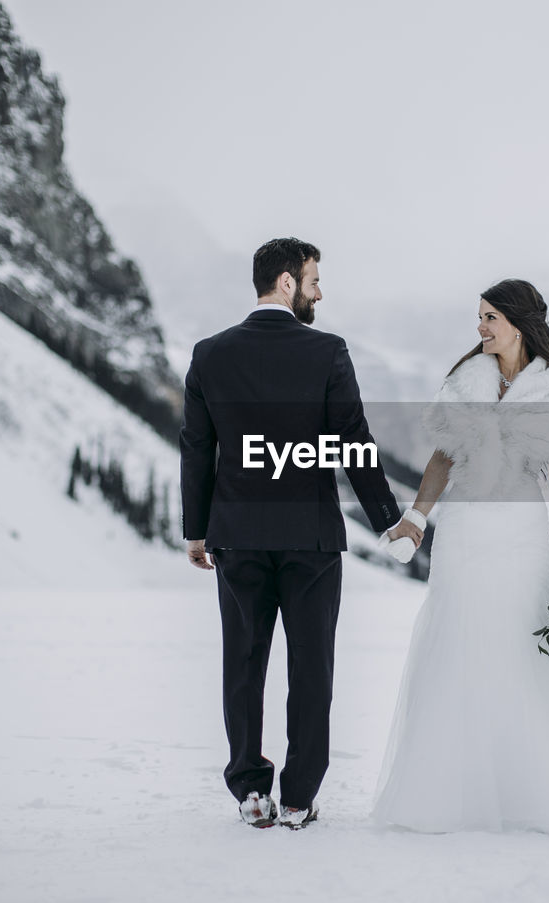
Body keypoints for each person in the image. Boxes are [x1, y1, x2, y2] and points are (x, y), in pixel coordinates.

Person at [372, 278, 549, 835]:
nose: (481, 327)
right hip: (464, 532)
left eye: (490, 317)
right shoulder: (465, 380)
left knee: (524, 649)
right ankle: (446, 794)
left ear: (517, 321)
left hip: (520, 535)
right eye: (480, 317)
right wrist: (416, 520)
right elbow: (444, 459)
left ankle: (534, 791)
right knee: (457, 644)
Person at [180, 237, 421, 830]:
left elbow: (197, 449)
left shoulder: (209, 355)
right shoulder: (328, 352)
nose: (320, 291)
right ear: (287, 283)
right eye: (314, 280)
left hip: (236, 535)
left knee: (243, 664)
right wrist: (389, 519)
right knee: (312, 667)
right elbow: (353, 445)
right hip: (310, 540)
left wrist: (196, 530)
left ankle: (250, 791)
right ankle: (297, 797)